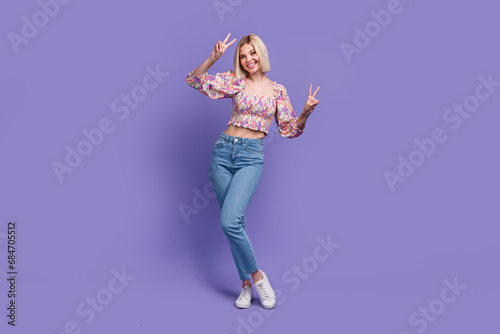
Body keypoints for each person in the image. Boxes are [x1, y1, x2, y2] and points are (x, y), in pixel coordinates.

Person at [186, 33, 320, 309]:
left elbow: (288, 129)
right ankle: (246, 285)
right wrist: (212, 58)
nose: (248, 60)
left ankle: (258, 278)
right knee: (235, 225)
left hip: (250, 157)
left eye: (252, 54)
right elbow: (194, 80)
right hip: (223, 152)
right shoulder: (235, 82)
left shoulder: (277, 90)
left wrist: (306, 112)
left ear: (261, 54)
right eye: (243, 56)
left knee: (229, 221)